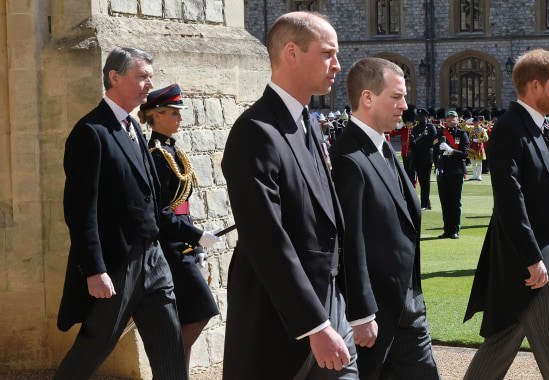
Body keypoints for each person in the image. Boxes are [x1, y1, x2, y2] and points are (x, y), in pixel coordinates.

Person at [220, 11, 358, 379]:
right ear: (292, 53)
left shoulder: (308, 123)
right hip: (281, 322)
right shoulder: (256, 131)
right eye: (327, 53)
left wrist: (352, 309)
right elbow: (266, 238)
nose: (337, 65)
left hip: (331, 307)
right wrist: (315, 325)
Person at [462, 49, 549, 380]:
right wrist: (532, 258)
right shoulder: (509, 130)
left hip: (542, 252)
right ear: (535, 86)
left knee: (502, 343)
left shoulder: (540, 128)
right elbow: (511, 202)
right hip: (525, 258)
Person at [54, 47, 187, 379]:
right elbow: (80, 210)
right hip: (117, 265)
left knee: (170, 347)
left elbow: (149, 199)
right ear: (114, 78)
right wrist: (94, 269)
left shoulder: (133, 127)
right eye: (141, 76)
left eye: (150, 78)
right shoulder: (91, 132)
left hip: (153, 259)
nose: (148, 85)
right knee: (93, 347)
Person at [329, 57, 442, 380]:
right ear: (367, 98)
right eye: (396, 97)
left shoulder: (382, 147)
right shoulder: (349, 158)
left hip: (407, 303)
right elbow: (350, 240)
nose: (404, 106)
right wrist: (361, 311)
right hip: (376, 312)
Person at [138, 84, 222, 372]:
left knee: (187, 318)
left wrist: (196, 244)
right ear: (156, 115)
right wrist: (196, 236)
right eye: (174, 113)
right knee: (202, 311)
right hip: (171, 249)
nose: (180, 119)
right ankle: (169, 367)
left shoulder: (171, 150)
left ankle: (176, 373)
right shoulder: (156, 154)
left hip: (183, 246)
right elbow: (161, 213)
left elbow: (182, 206)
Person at [433, 110, 469, 239]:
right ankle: (447, 230)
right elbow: (435, 152)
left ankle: (455, 230)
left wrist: (451, 151)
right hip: (443, 171)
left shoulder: (462, 133)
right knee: (445, 202)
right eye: (448, 118)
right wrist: (436, 166)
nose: (450, 120)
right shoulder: (440, 133)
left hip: (456, 171)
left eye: (453, 118)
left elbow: (465, 153)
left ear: (457, 120)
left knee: (455, 202)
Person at [411, 108, 438, 210]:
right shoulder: (416, 128)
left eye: (422, 116)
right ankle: (427, 203)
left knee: (425, 182)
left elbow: (433, 142)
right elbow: (412, 141)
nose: (420, 118)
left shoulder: (430, 128)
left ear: (426, 117)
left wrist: (418, 144)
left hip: (426, 157)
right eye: (419, 116)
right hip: (417, 157)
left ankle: (424, 204)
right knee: (421, 181)